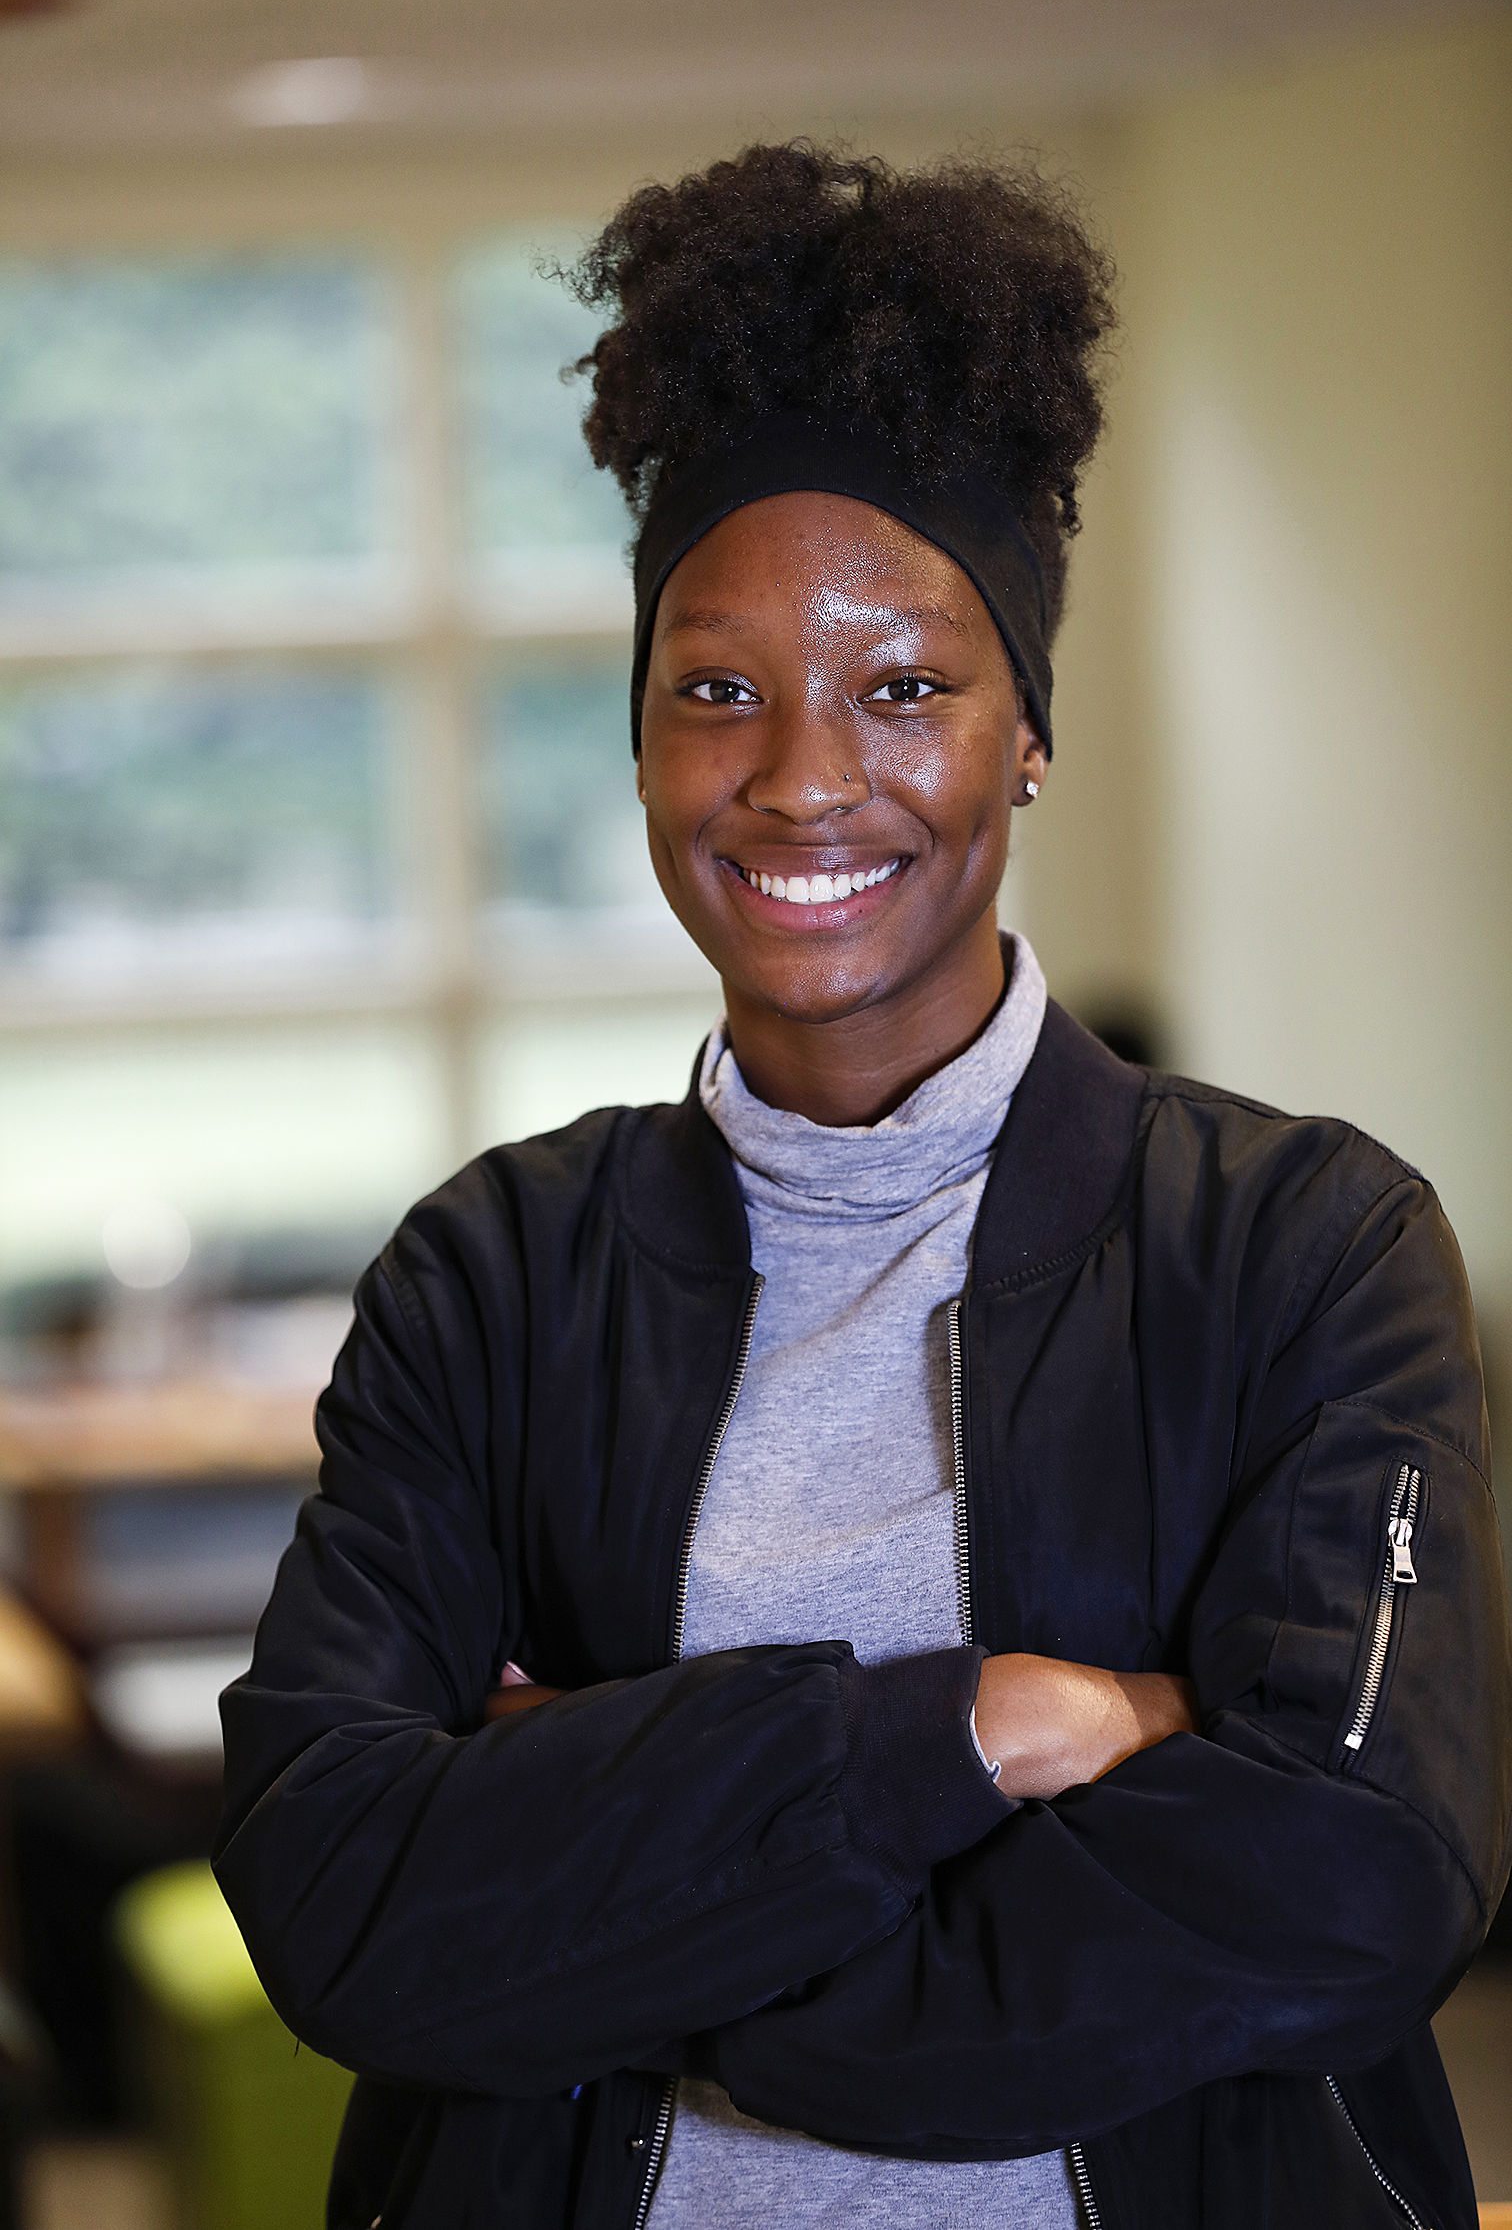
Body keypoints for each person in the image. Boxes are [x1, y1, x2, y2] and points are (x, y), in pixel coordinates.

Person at [215, 146, 1512, 2230]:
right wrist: (983, 1732)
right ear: (641, 740)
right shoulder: (496, 1278)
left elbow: (1354, 1877)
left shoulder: (1300, 1246)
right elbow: (340, 1890)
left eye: (906, 686)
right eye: (716, 687)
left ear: (1027, 737)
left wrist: (633, 1930)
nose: (806, 779)